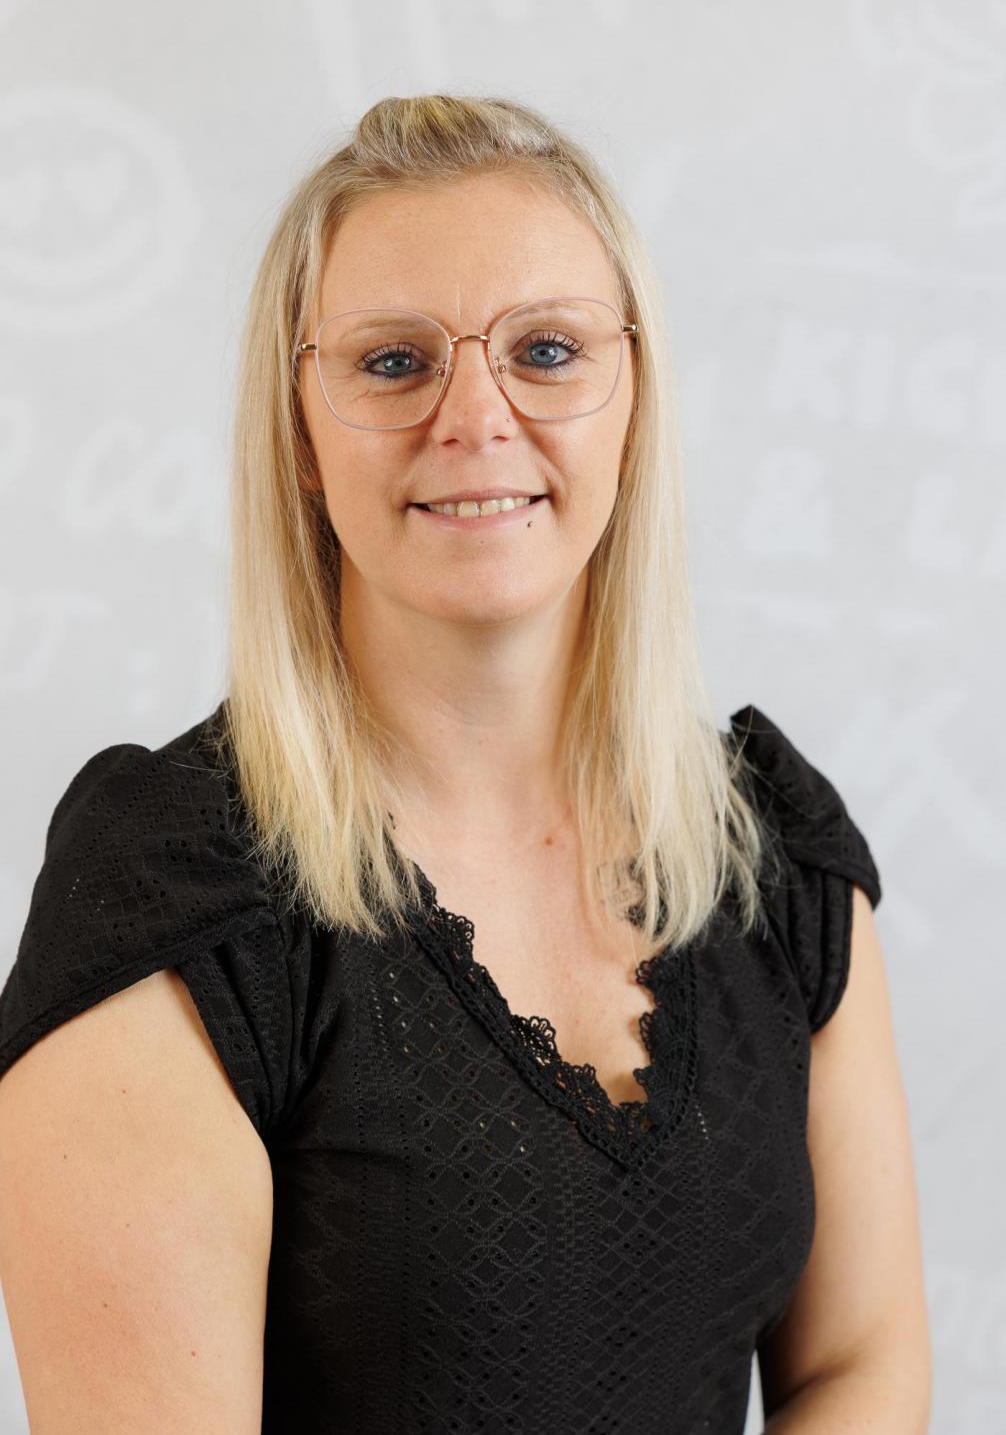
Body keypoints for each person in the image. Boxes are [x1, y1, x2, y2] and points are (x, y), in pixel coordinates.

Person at [0, 94, 930, 1433]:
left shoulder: (773, 854)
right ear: (300, 432)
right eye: (393, 362)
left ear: (633, 401)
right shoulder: (177, 892)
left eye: (546, 350)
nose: (476, 416)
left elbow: (861, 1366)